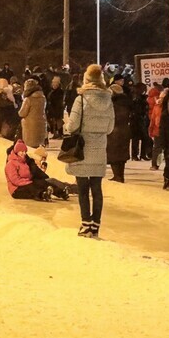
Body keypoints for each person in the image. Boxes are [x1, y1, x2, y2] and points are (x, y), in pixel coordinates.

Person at [64, 64, 115, 239]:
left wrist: (66, 125)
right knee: (97, 188)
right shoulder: (108, 100)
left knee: (83, 188)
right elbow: (110, 128)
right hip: (99, 148)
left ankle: (85, 224)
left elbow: (72, 126)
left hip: (82, 147)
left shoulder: (81, 99)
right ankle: (96, 225)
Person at [106, 82, 132, 183]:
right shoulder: (126, 102)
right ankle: (120, 175)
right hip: (125, 130)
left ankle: (117, 176)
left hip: (114, 131)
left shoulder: (113, 103)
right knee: (122, 154)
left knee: (114, 154)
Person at [18, 78, 47, 148]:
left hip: (30, 127)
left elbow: (22, 113)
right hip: (41, 124)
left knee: (30, 149)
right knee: (39, 148)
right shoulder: (43, 98)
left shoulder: (28, 99)